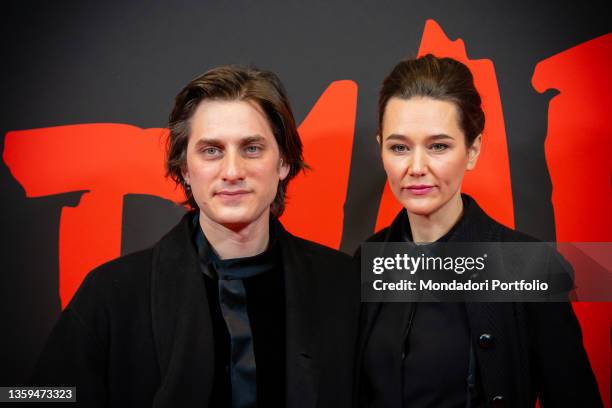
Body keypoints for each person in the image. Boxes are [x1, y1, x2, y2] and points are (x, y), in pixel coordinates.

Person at [32, 65, 359, 407]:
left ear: (283, 163)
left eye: (251, 149)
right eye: (211, 151)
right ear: (185, 169)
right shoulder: (112, 293)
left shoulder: (342, 282)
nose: (232, 172)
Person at [355, 55, 602, 407]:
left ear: (473, 150)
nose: (416, 167)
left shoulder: (529, 268)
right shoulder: (365, 262)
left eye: (438, 146)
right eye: (399, 147)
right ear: (381, 148)